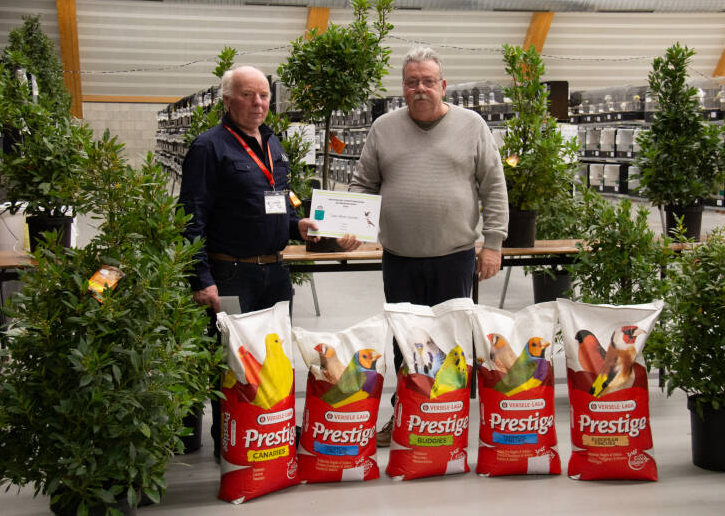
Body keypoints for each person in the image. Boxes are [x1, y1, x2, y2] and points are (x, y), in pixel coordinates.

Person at [179, 65, 360, 457]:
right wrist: (201, 279)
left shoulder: (273, 144)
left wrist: (299, 226)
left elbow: (278, 202)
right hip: (231, 273)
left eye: (263, 95)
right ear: (228, 100)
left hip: (274, 272)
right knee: (235, 359)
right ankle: (231, 441)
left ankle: (271, 432)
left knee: (273, 357)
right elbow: (190, 217)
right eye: (248, 95)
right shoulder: (209, 148)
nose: (258, 103)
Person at [348, 47, 509, 446]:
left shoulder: (472, 125)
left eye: (427, 81)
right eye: (411, 82)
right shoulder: (384, 128)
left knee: (451, 346)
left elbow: (494, 185)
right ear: (403, 87)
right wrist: (347, 224)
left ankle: (446, 421)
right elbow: (363, 184)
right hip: (399, 259)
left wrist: (493, 243)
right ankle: (405, 415)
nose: (419, 88)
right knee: (405, 345)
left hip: (454, 258)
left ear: (443, 85)